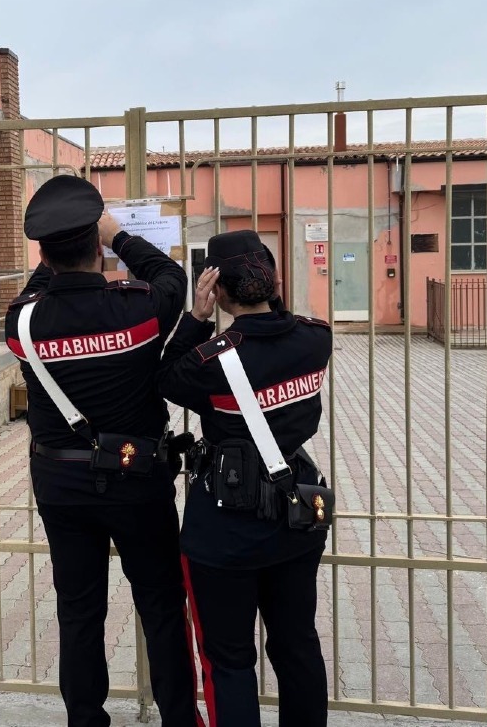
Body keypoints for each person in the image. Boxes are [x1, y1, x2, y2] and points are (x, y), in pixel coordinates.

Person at [4, 174, 202, 727]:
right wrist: (118, 235)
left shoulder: (21, 323)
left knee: (80, 612)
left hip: (60, 485)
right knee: (161, 607)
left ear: (42, 252)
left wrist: (74, 248)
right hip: (137, 481)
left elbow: (33, 292)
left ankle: (85, 720)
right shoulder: (139, 310)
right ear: (97, 245)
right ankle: (179, 720)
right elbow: (171, 274)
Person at [158, 229, 334, 727]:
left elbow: (166, 377)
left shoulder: (211, 363)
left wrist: (195, 317)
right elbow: (280, 327)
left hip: (226, 525)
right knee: (297, 645)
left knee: (231, 660)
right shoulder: (314, 338)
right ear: (272, 280)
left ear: (219, 291)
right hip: (295, 512)